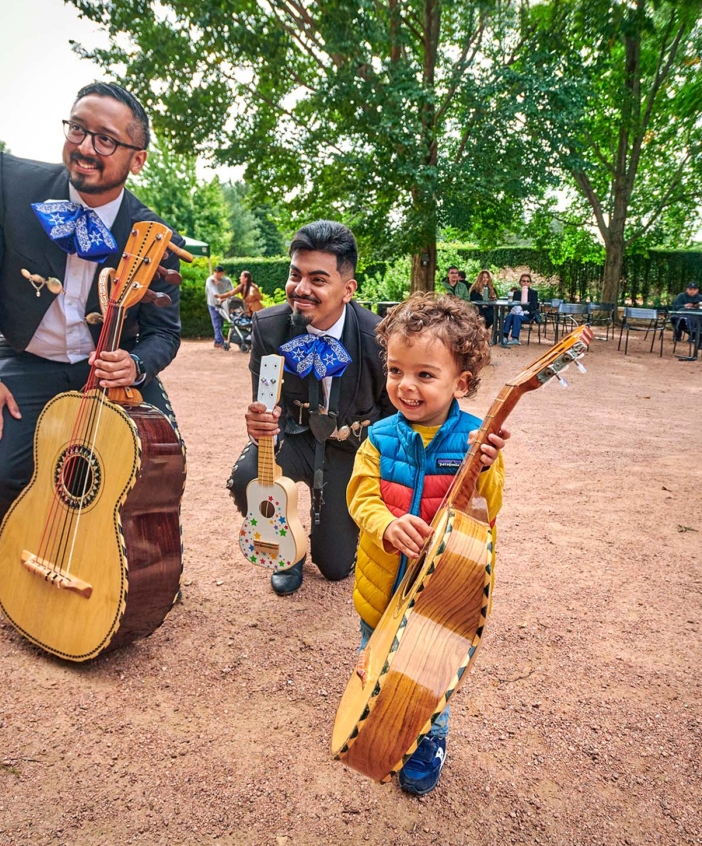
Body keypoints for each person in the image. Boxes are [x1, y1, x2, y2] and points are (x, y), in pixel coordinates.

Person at [0, 82, 184, 598]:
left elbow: (166, 332)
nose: (85, 147)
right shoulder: (10, 186)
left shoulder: (155, 233)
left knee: (157, 464)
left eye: (105, 139)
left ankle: (133, 569)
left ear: (136, 159)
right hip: (27, 358)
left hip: (106, 369)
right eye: (78, 128)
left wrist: (136, 365)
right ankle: (25, 545)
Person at [347, 291, 508, 795]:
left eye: (424, 374)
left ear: (461, 382)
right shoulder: (379, 436)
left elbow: (489, 507)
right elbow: (360, 498)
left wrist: (485, 467)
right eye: (396, 371)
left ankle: (428, 737)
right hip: (382, 583)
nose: (405, 386)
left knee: (428, 677)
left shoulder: (474, 438)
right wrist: (385, 526)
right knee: (377, 661)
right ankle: (374, 725)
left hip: (440, 592)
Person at [227, 220, 396, 596]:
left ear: (348, 289)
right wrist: (260, 422)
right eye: (294, 275)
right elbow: (267, 402)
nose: (300, 290)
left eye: (317, 280)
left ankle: (333, 535)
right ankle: (288, 553)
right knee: (246, 477)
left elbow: (393, 414)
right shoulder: (269, 327)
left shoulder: (380, 338)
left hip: (351, 448)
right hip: (297, 439)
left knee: (335, 567)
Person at [500, 272, 540, 347]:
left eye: (528, 281)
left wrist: (522, 308)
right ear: (520, 282)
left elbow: (533, 306)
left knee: (516, 317)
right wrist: (515, 309)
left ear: (530, 283)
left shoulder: (533, 293)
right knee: (509, 316)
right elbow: (511, 306)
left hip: (527, 314)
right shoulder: (516, 293)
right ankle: (504, 336)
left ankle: (515, 338)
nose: (525, 283)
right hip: (515, 313)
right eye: (523, 281)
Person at [670, 282, 702, 348]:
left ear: (697, 290)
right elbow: (674, 307)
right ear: (687, 290)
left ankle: (701, 336)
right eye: (690, 289)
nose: (692, 291)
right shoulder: (681, 296)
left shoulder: (700, 297)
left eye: (694, 289)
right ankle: (679, 335)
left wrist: (698, 306)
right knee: (680, 319)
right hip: (683, 316)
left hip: (696, 318)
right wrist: (684, 306)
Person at [206, 265, 234, 347]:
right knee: (216, 323)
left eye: (219, 273)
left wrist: (228, 299)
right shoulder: (210, 280)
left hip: (223, 304)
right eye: (215, 272)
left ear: (223, 273)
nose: (217, 274)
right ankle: (219, 342)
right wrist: (221, 298)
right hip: (212, 304)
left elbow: (232, 291)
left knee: (221, 323)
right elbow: (214, 293)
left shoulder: (227, 280)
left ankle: (216, 341)